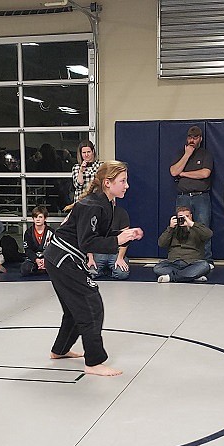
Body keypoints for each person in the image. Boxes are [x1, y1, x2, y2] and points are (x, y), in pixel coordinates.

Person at [45, 160, 144, 376]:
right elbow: (87, 242)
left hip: (59, 257)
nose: (127, 186)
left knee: (74, 309)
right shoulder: (93, 205)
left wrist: (125, 235)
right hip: (64, 259)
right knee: (91, 305)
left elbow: (96, 236)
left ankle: (59, 350)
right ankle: (94, 361)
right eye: (123, 181)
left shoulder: (104, 203)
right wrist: (118, 239)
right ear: (107, 183)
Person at [169, 125, 214, 267]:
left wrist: (183, 174)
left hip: (201, 197)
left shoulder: (205, 154)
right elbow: (173, 171)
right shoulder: (180, 153)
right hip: (183, 196)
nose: (192, 140)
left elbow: (205, 173)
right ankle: (180, 258)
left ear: (200, 139)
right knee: (180, 226)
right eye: (190, 137)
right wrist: (187, 154)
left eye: (195, 137)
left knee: (202, 227)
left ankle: (206, 260)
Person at [154, 206, 212, 283]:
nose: (184, 219)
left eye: (187, 216)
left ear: (191, 216)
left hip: (192, 262)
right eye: (181, 217)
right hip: (173, 263)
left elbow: (209, 234)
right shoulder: (172, 229)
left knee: (204, 266)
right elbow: (161, 244)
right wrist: (170, 228)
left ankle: (171, 277)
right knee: (157, 268)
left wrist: (191, 224)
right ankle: (191, 276)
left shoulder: (197, 227)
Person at [88, 204, 130, 280]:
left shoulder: (121, 213)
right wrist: (90, 257)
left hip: (115, 253)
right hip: (98, 252)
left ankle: (108, 270)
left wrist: (120, 258)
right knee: (89, 273)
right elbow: (88, 238)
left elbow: (126, 237)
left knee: (122, 274)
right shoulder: (94, 213)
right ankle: (104, 270)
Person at [68, 139, 101, 210]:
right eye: (84, 152)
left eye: (88, 152)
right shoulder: (76, 167)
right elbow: (78, 185)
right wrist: (81, 171)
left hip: (96, 202)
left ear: (93, 152)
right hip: (81, 202)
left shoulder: (100, 166)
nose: (86, 155)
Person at [21, 205, 53, 276]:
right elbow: (28, 249)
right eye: (35, 217)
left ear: (45, 218)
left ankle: (44, 267)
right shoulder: (28, 232)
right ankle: (40, 268)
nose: (38, 219)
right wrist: (36, 260)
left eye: (40, 217)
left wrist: (45, 260)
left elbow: (54, 249)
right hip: (34, 259)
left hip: (48, 258)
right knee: (25, 269)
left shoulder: (51, 232)